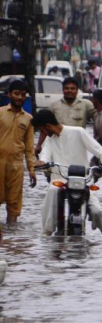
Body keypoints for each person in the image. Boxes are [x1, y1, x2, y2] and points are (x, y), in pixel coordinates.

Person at [31, 110, 102, 237]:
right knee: (52, 192)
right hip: (59, 182)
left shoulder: (78, 132)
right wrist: (40, 162)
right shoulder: (49, 141)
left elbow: (100, 151)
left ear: (48, 126)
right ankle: (46, 233)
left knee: (97, 211)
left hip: (83, 181)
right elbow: (45, 156)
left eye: (41, 130)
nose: (42, 134)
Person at [0, 79, 36, 226]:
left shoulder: (28, 119)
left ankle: (12, 240)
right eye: (16, 94)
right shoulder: (0, 113)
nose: (20, 97)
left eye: (22, 94)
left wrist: (32, 169)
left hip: (16, 167)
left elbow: (29, 148)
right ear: (9, 94)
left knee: (14, 205)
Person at [35, 77, 97, 156]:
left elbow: (99, 118)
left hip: (78, 146)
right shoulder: (54, 106)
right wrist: (39, 145)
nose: (69, 91)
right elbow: (45, 129)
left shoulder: (86, 104)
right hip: (59, 146)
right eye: (66, 88)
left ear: (77, 90)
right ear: (63, 90)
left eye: (72, 88)